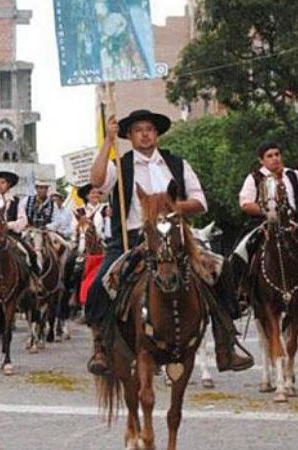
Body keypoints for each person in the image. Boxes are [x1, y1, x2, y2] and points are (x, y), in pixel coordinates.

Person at [86, 109, 254, 375]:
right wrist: (108, 140)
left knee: (221, 269)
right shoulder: (120, 166)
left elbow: (200, 202)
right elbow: (95, 181)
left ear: (157, 134)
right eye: (138, 129)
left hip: (176, 236)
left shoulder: (177, 164)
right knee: (100, 283)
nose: (144, 134)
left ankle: (226, 343)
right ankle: (101, 347)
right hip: (133, 238)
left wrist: (169, 206)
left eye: (149, 129)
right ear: (129, 135)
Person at [234, 140, 298, 311]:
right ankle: (241, 293)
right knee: (241, 250)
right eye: (269, 156)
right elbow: (245, 203)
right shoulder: (255, 177)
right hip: (264, 222)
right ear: (261, 160)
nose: (275, 159)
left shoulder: (293, 175)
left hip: (291, 222)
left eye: (277, 154)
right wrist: (268, 212)